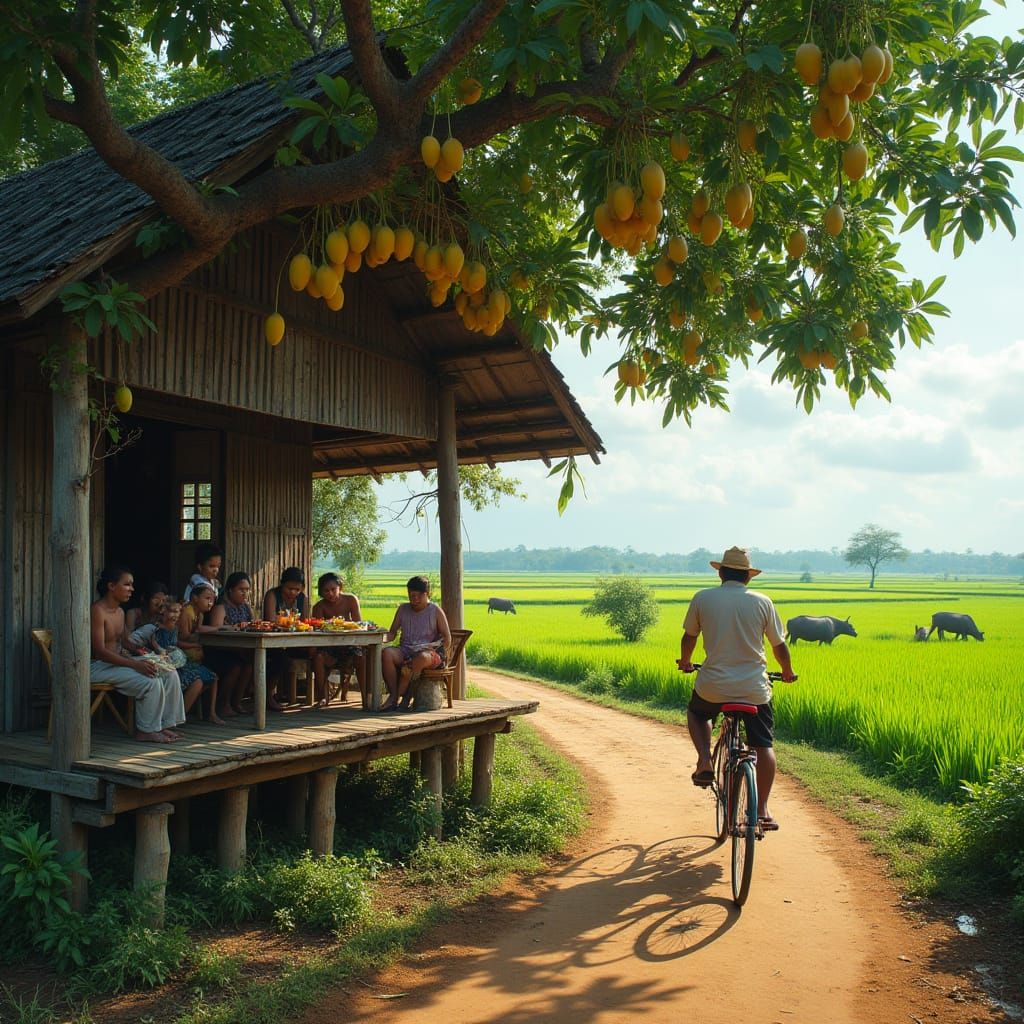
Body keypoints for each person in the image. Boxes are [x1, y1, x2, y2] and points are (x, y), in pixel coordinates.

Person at [677, 546, 796, 832]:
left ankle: (705, 759)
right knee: (763, 745)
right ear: (748, 577)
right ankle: (763, 809)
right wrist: (788, 672)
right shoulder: (762, 602)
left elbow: (689, 638)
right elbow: (779, 646)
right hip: (754, 688)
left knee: (698, 713)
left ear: (720, 572)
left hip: (713, 686)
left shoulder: (703, 598)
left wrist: (686, 662)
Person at [90, 565, 186, 743]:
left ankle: (163, 725)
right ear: (111, 586)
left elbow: (127, 642)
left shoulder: (119, 611)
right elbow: (100, 652)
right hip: (98, 667)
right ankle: (146, 730)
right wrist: (136, 664)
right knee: (150, 680)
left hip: (119, 662)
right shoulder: (97, 611)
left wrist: (151, 654)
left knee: (168, 671)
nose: (132, 589)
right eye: (127, 584)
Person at [381, 575, 451, 712]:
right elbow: (392, 633)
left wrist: (441, 651)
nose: (415, 600)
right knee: (387, 654)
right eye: (411, 596)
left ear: (427, 594)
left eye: (418, 596)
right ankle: (394, 696)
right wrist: (380, 639)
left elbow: (447, 637)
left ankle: (405, 698)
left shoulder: (435, 610)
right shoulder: (403, 609)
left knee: (422, 658)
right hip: (406, 650)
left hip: (429, 654)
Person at [310, 572, 364, 706]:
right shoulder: (319, 607)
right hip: (329, 646)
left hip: (350, 644)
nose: (330, 593)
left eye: (333, 589)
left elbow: (358, 624)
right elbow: (318, 630)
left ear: (340, 587)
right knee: (319, 658)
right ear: (321, 592)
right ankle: (323, 697)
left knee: (362, 657)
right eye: (326, 591)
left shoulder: (351, 600)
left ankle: (366, 695)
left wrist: (345, 625)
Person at [206, 571, 255, 716]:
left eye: (247, 590)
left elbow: (253, 625)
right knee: (235, 666)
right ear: (230, 590)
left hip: (239, 649)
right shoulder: (221, 607)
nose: (244, 594)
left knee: (249, 665)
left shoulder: (246, 607)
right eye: (241, 590)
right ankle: (222, 704)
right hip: (219, 651)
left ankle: (236, 702)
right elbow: (215, 635)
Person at [262, 567, 309, 710]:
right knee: (279, 659)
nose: (293, 593)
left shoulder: (303, 599)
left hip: (295, 642)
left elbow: (305, 622)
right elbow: (270, 620)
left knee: (313, 652)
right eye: (289, 588)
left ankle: (307, 695)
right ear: (282, 584)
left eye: (297, 589)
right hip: (272, 642)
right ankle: (268, 695)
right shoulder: (272, 595)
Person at [177, 583, 223, 723]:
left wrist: (218, 628)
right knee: (199, 680)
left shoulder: (200, 615)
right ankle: (179, 717)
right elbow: (179, 640)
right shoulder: (186, 612)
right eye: (207, 598)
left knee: (213, 677)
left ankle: (211, 713)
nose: (210, 602)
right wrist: (195, 644)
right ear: (195, 598)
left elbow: (199, 630)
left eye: (212, 599)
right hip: (181, 660)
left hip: (194, 658)